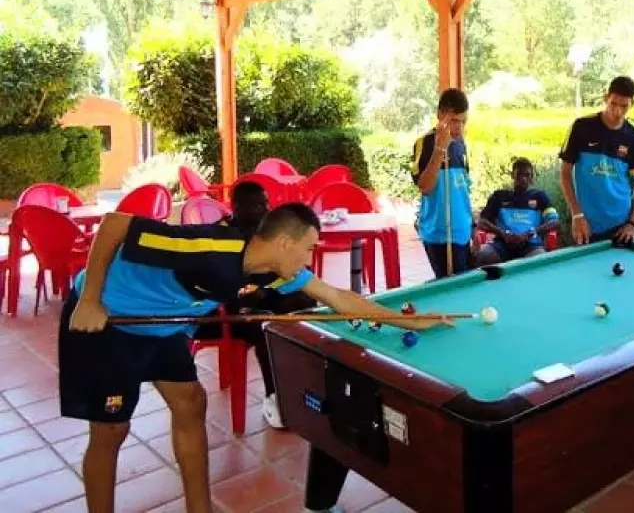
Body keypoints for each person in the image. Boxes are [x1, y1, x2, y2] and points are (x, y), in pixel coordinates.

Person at [60, 205, 449, 513]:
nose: (310, 257)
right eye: (308, 248)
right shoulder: (209, 247)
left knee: (190, 402)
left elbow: (338, 299)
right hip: (109, 319)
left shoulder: (272, 272)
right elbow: (115, 224)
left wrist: (407, 321)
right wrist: (90, 299)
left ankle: (200, 509)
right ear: (284, 243)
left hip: (162, 328)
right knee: (111, 431)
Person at [201, 180, 317, 430]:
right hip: (222, 312)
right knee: (265, 325)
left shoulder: (265, 233)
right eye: (257, 205)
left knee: (305, 303)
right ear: (236, 207)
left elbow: (285, 273)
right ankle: (275, 398)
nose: (265, 209)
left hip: (262, 299)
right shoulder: (220, 236)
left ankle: (304, 387)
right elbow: (216, 287)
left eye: (265, 203)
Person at [559, 76, 634, 246]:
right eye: (613, 104)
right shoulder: (581, 127)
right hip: (584, 224)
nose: (617, 111)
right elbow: (565, 174)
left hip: (620, 227)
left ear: (632, 104)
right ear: (605, 98)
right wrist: (577, 215)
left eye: (624, 106)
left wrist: (632, 223)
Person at [412, 88, 475, 278]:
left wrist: (472, 225)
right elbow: (425, 187)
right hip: (440, 233)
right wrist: (440, 148)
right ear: (440, 115)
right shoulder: (425, 143)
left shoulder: (461, 144)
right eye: (454, 121)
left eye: (463, 121)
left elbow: (463, 188)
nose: (459, 128)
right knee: (453, 288)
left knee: (464, 286)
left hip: (462, 230)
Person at [476, 158, 561, 264]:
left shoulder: (540, 196)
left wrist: (529, 234)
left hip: (531, 245)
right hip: (502, 244)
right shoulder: (499, 196)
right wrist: (503, 234)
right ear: (512, 175)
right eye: (519, 174)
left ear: (531, 178)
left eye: (527, 175)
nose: (523, 178)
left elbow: (555, 222)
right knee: (484, 255)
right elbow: (482, 222)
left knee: (540, 260)